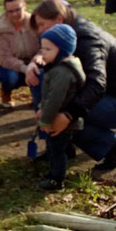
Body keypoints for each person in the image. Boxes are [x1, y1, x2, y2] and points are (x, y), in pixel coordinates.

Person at [27, 0, 116, 172]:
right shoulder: (65, 33)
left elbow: (97, 84)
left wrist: (67, 115)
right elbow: (51, 53)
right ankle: (60, 145)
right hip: (101, 94)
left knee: (61, 109)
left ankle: (111, 144)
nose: (40, 31)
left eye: (42, 25)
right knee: (41, 77)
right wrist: (35, 60)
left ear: (59, 19)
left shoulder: (87, 39)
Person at [36, 24, 85, 191]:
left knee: (56, 149)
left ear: (63, 51)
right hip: (55, 116)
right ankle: (54, 171)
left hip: (58, 120)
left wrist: (45, 119)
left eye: (48, 49)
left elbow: (55, 99)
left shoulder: (62, 73)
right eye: (42, 48)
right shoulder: (56, 68)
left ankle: (57, 179)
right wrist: (41, 108)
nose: (43, 52)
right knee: (56, 147)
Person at [0, 0, 41, 109]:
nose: (15, 14)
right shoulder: (1, 29)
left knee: (44, 72)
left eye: (18, 9)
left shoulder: (36, 23)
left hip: (35, 61)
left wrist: (35, 61)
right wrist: (24, 68)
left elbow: (45, 46)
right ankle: (6, 92)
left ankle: (38, 97)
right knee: (9, 77)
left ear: (25, 6)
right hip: (14, 65)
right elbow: (4, 57)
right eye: (10, 11)